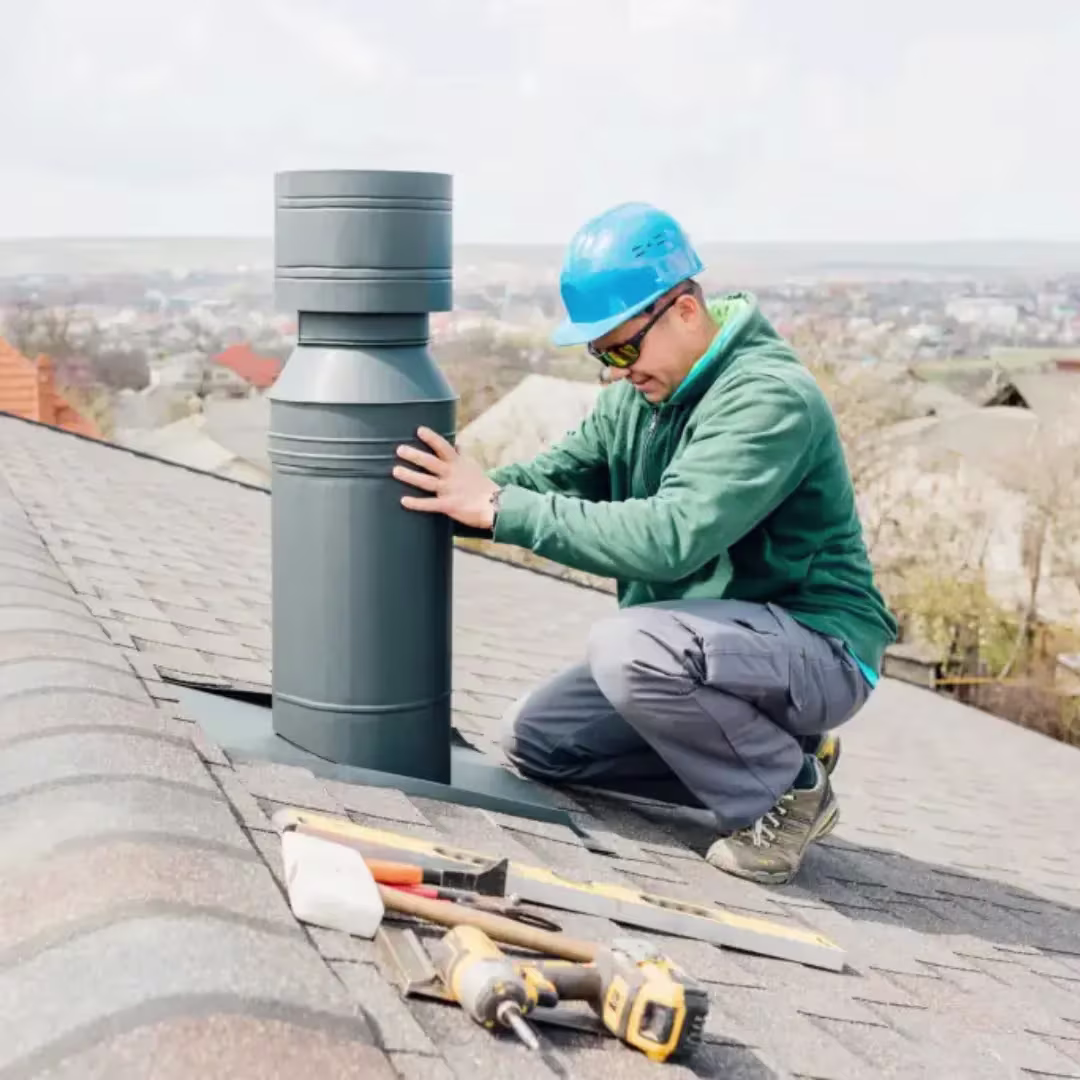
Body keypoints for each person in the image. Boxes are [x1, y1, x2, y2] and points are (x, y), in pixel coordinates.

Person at [393, 201, 897, 884]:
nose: (616, 370)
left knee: (627, 648)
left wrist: (499, 508)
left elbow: (670, 539)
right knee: (538, 741)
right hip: (718, 651)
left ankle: (786, 790)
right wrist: (443, 498)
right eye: (602, 354)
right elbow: (545, 481)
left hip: (816, 647)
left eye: (624, 347)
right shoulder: (636, 402)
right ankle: (782, 751)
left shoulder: (768, 399)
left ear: (685, 310)